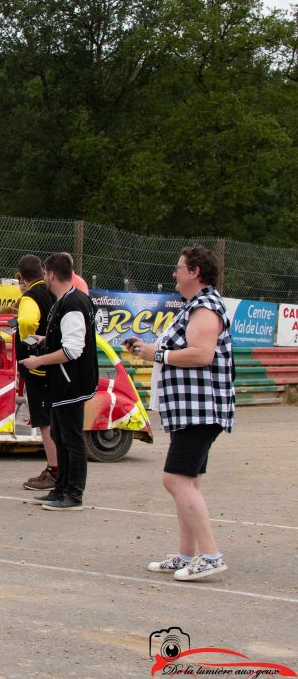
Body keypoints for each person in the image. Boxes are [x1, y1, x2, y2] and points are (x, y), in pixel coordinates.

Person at [125, 246, 234, 581]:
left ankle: (211, 555)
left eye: (179, 268)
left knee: (174, 479)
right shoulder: (197, 306)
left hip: (200, 409)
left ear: (195, 271)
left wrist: (157, 355)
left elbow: (202, 354)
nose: (174, 273)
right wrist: (150, 351)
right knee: (188, 481)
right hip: (192, 409)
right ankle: (187, 554)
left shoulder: (204, 307)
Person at [18, 252, 98, 511]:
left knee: (72, 439)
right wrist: (45, 340)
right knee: (59, 435)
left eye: (46, 273)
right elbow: (67, 340)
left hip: (71, 384)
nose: (45, 278)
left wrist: (39, 361)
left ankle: (74, 494)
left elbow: (73, 349)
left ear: (51, 274)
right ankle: (61, 488)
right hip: (63, 384)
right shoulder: (64, 301)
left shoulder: (73, 303)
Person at [14, 255, 59, 492]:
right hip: (54, 364)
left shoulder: (30, 297)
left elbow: (29, 320)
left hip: (37, 367)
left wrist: (27, 338)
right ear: (41, 271)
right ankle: (61, 466)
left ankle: (54, 469)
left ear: (20, 276)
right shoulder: (50, 291)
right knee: (54, 416)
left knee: (43, 420)